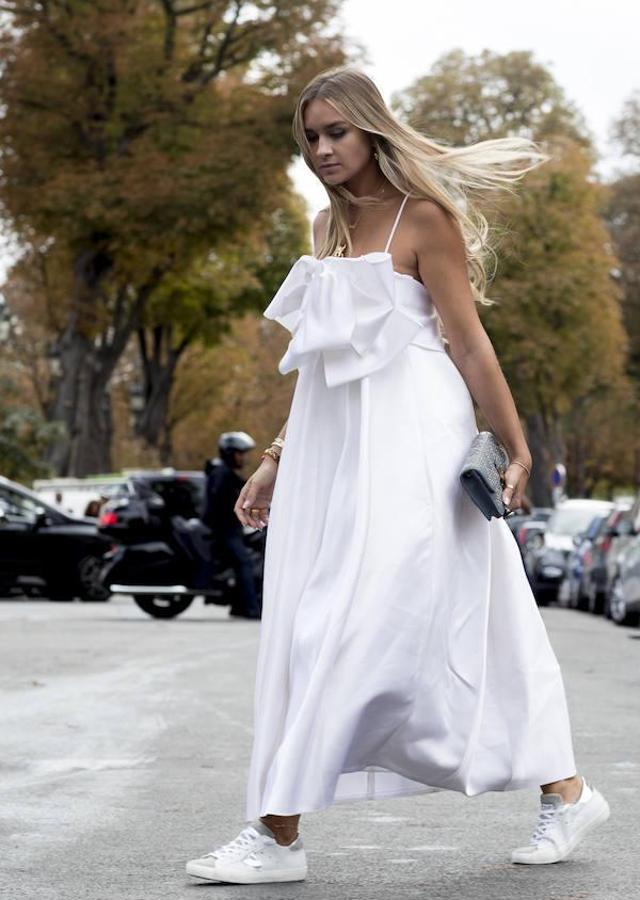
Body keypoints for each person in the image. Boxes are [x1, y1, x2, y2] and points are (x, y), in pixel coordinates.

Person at [186, 66, 610, 885]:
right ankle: (567, 789)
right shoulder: (325, 227)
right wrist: (277, 457)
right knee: (420, 624)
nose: (321, 150)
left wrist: (515, 448)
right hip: (337, 447)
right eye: (310, 137)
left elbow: (469, 343)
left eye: (335, 133)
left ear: (372, 130)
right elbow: (320, 362)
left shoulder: (426, 220)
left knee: (365, 625)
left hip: (417, 443)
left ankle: (277, 834)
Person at [201, 431, 261, 620]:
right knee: (244, 564)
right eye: (239, 453)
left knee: (244, 562)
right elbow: (225, 502)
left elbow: (245, 488)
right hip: (224, 530)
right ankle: (251, 609)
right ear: (229, 453)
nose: (243, 457)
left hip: (229, 528)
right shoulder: (222, 474)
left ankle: (238, 606)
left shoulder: (224, 473)